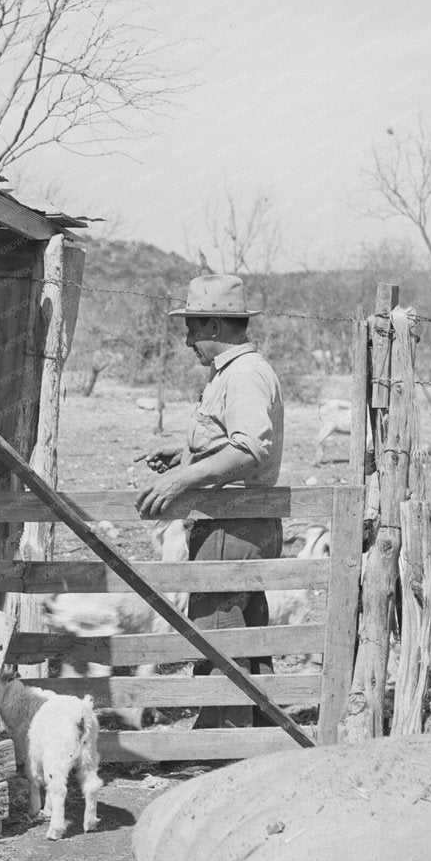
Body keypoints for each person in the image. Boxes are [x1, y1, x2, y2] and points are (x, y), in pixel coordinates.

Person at [134, 273, 284, 729]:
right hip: (238, 523)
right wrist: (186, 454)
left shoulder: (243, 376)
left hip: (231, 526)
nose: (187, 342)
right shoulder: (238, 373)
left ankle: (225, 748)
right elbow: (229, 443)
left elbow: (249, 451)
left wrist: (182, 481)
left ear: (215, 328)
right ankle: (262, 738)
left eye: (192, 330)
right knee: (242, 631)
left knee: (218, 631)